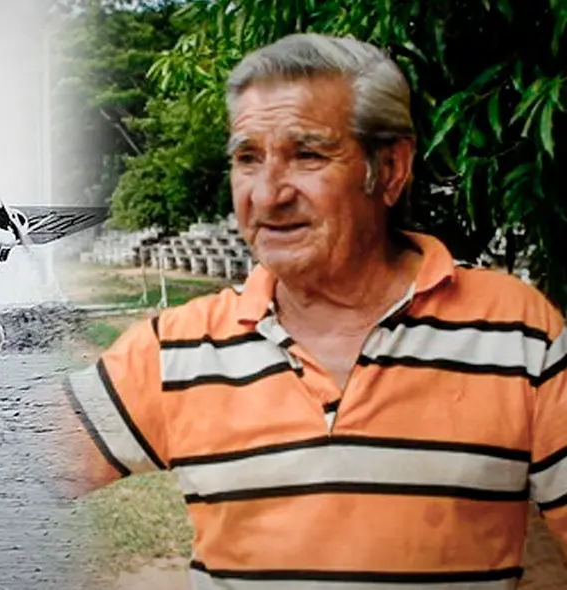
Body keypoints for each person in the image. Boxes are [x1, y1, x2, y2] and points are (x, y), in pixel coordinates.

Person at [61, 33, 567, 588]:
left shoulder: (520, 331)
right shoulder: (174, 349)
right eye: (247, 158)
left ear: (391, 168)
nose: (268, 194)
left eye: (308, 154)